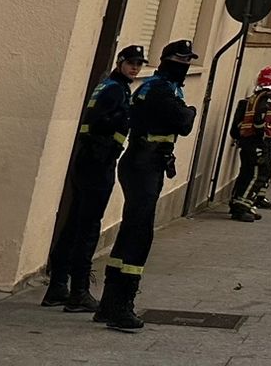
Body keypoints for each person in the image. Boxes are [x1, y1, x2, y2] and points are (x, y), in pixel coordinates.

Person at [94, 38, 198, 332]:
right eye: (181, 62)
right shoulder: (161, 91)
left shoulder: (153, 85)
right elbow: (185, 123)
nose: (185, 67)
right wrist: (190, 110)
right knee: (139, 235)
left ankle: (108, 305)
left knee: (131, 230)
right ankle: (121, 306)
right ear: (168, 62)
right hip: (144, 165)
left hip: (142, 163)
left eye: (189, 62)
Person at [43, 44, 146, 313]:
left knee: (75, 224)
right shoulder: (114, 89)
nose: (135, 68)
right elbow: (100, 122)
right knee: (87, 229)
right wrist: (126, 116)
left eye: (139, 64)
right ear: (121, 62)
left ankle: (57, 287)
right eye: (131, 63)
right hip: (97, 163)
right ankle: (79, 291)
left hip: (88, 161)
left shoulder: (109, 85)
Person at [228, 68, 271, 221]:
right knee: (254, 176)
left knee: (246, 174)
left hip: (249, 143)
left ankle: (240, 203)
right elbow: (260, 120)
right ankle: (241, 208)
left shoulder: (254, 98)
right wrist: (263, 137)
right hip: (257, 143)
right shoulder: (267, 99)